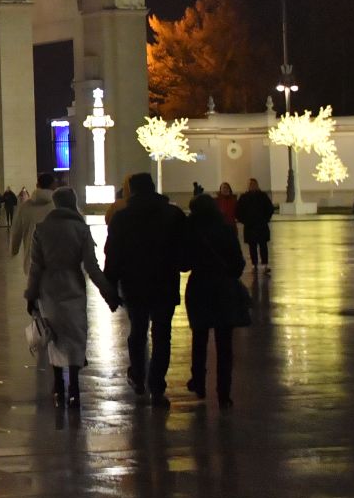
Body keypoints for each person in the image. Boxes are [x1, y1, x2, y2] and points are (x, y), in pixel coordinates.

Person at [24, 187, 114, 409]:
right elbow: (92, 267)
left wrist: (31, 294)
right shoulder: (80, 229)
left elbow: (36, 267)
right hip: (73, 286)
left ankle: (58, 386)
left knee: (55, 336)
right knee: (75, 335)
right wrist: (108, 292)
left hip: (49, 289)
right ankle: (74, 387)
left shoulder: (42, 229)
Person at [104, 171, 187, 406]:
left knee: (138, 332)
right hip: (165, 284)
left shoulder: (122, 218)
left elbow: (113, 254)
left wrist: (110, 285)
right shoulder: (173, 214)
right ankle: (157, 385)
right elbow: (184, 251)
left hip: (135, 285)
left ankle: (139, 376)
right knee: (162, 336)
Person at [183, 193, 248, 408]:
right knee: (224, 343)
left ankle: (199, 382)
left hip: (200, 287)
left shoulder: (191, 230)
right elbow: (238, 263)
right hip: (223, 289)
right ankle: (224, 392)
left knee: (199, 338)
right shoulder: (226, 229)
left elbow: (184, 263)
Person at [8, 173, 58, 275]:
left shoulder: (25, 207)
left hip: (32, 259)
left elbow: (16, 230)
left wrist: (14, 249)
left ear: (37, 185)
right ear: (53, 186)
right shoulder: (57, 205)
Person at [236, 178, 276, 271]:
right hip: (250, 226)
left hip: (261, 225)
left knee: (263, 246)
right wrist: (244, 220)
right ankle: (254, 264)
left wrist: (265, 219)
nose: (253, 186)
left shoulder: (263, 196)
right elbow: (239, 211)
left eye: (254, 184)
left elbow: (269, 209)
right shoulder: (244, 197)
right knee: (252, 246)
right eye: (251, 185)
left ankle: (265, 264)